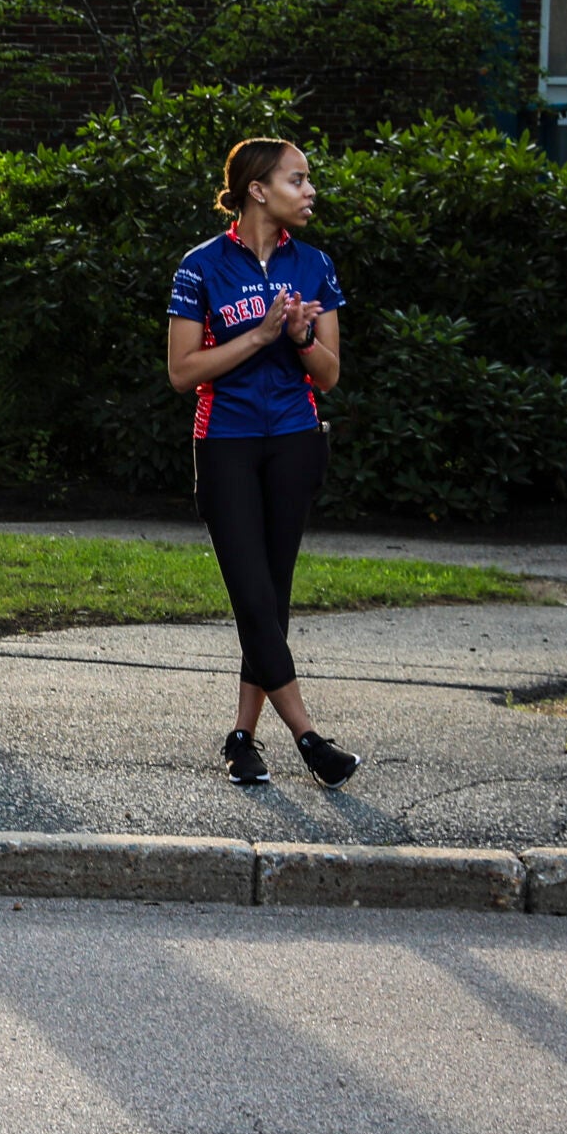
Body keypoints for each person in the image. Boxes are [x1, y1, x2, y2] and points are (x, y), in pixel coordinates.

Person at [166, 138, 360, 788]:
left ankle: (244, 737)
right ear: (258, 189)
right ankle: (309, 738)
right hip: (225, 444)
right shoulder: (201, 267)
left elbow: (329, 375)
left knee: (269, 601)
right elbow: (182, 370)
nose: (309, 191)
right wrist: (260, 334)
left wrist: (301, 336)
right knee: (251, 590)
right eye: (297, 179)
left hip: (296, 441)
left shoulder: (316, 266)